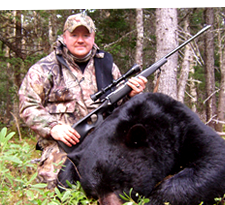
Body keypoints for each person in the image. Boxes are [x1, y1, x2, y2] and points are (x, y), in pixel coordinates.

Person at [19, 13, 147, 189]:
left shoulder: (108, 67)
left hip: (104, 140)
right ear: (64, 37)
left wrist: (131, 96)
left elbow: (120, 109)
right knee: (56, 184)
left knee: (131, 180)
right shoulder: (44, 69)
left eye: (86, 35)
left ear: (93, 37)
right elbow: (28, 106)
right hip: (64, 145)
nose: (80, 40)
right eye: (74, 35)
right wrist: (53, 127)